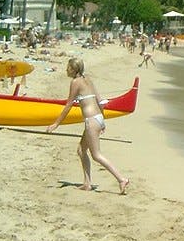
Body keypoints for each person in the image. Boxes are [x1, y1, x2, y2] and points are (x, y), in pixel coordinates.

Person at [47, 58, 129, 194]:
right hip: (97, 118)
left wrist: (56, 124)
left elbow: (68, 105)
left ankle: (121, 179)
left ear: (74, 69)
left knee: (96, 155)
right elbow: (100, 101)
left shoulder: (75, 82)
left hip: (91, 120)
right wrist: (102, 122)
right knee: (81, 150)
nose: (66, 70)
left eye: (68, 67)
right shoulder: (87, 79)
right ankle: (87, 183)